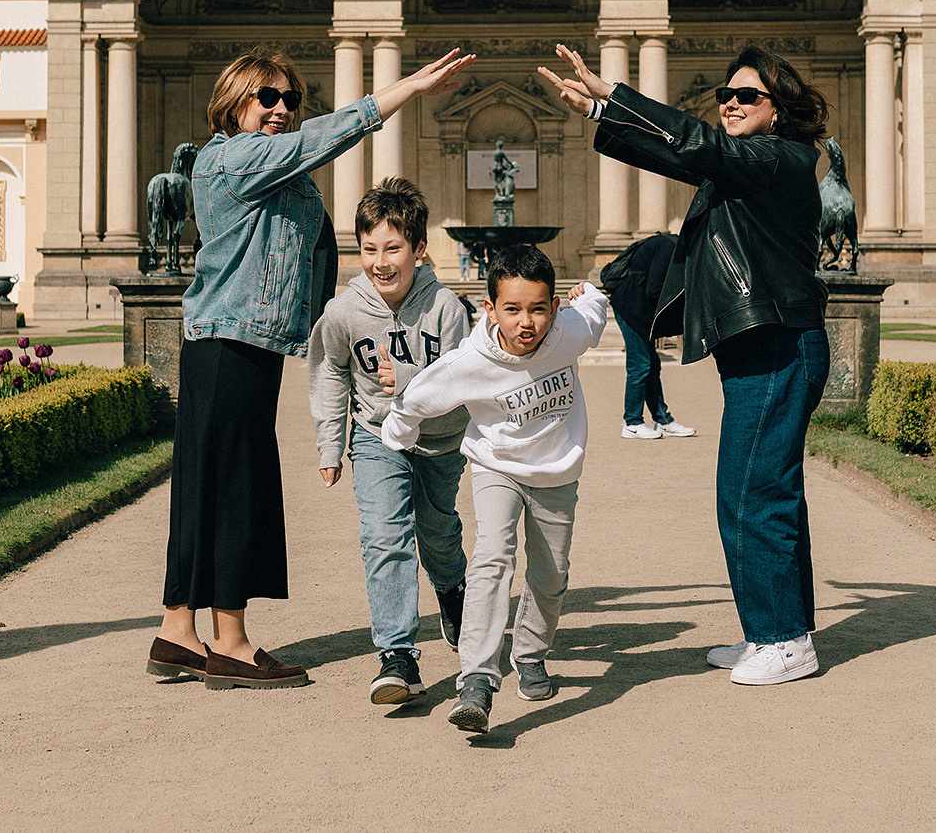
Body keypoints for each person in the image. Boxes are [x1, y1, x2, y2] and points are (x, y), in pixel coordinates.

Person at [147, 44, 474, 689]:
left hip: (245, 344)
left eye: (290, 100)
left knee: (208, 479)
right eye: (266, 98)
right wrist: (398, 92)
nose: (280, 110)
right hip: (227, 343)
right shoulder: (231, 159)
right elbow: (320, 142)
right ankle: (231, 642)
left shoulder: (279, 175)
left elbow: (317, 256)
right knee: (236, 484)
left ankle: (177, 631)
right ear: (233, 100)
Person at [539, 42, 830, 687]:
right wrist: (598, 114)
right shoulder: (747, 165)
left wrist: (617, 95)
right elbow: (679, 152)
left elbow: (697, 146)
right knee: (758, 490)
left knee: (756, 492)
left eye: (745, 95)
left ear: (777, 109)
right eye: (724, 94)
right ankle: (777, 629)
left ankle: (783, 640)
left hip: (780, 345)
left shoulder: (784, 159)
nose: (729, 102)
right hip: (762, 347)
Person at [379, 244, 610, 734]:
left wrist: (590, 294)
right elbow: (420, 394)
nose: (526, 322)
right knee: (491, 558)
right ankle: (477, 680)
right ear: (490, 309)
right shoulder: (471, 360)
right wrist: (398, 431)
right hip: (495, 467)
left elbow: (593, 314)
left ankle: (529, 654)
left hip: (555, 474)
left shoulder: (569, 332)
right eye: (513, 309)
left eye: (538, 309)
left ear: (553, 308)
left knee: (551, 576)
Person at [308, 177, 473, 706]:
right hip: (377, 436)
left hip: (441, 441)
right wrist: (331, 443)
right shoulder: (343, 311)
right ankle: (397, 653)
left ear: (419, 250)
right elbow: (330, 372)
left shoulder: (447, 308)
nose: (380, 261)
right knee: (384, 535)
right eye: (369, 248)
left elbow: (463, 380)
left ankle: (451, 591)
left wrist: (410, 381)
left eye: (393, 248)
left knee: (439, 532)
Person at [598, 233, 694, 439]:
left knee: (651, 364)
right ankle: (632, 422)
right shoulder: (669, 248)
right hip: (630, 309)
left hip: (638, 310)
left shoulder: (672, 245)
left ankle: (662, 420)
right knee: (640, 365)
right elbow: (654, 289)